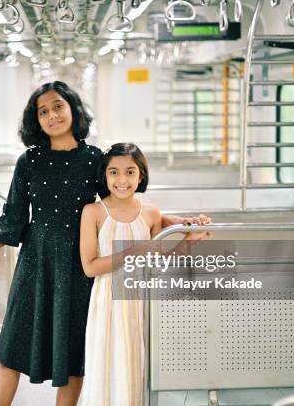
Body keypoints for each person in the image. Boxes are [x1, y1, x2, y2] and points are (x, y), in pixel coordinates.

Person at [0, 81, 101, 406]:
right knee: (11, 347)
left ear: (73, 108)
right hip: (34, 265)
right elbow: (12, 221)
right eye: (43, 111)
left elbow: (119, 206)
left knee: (73, 353)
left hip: (79, 267)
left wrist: (170, 225)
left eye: (58, 106)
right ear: (36, 120)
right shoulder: (28, 162)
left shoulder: (95, 160)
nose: (52, 115)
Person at [78, 143, 211, 406]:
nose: (122, 180)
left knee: (137, 364)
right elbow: (90, 266)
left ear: (141, 176)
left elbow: (159, 261)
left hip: (142, 300)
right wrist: (136, 250)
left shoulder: (151, 213)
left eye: (130, 172)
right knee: (108, 363)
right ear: (104, 176)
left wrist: (191, 240)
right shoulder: (93, 212)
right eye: (114, 172)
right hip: (107, 303)